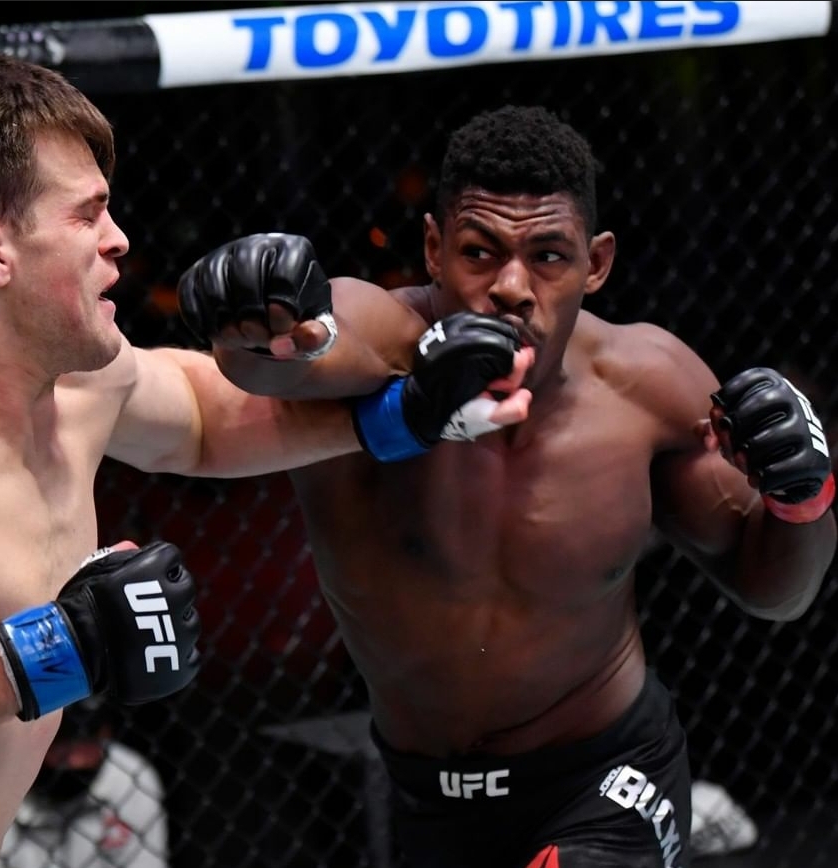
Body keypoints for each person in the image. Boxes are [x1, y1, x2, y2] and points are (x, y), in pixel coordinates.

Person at [0, 51, 530, 868]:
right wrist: (51, 653)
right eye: (87, 215)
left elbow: (200, 418)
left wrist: (399, 416)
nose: (118, 239)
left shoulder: (74, 383)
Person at [177, 105, 837, 868]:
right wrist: (259, 315)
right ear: (433, 249)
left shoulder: (645, 386)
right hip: (424, 798)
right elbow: (299, 349)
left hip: (608, 776)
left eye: (548, 256)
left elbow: (776, 594)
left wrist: (802, 498)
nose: (512, 287)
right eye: (479, 253)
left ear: (596, 264)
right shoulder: (383, 346)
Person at [1, 698, 168, 868]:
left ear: (105, 733)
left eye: (86, 739)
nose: (74, 759)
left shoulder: (128, 778)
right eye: (61, 741)